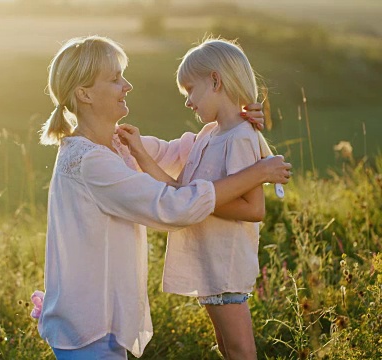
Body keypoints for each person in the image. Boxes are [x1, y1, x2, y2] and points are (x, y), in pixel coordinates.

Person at [36, 35, 290, 359]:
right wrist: (257, 174)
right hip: (90, 327)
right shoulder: (92, 162)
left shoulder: (114, 145)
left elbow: (185, 152)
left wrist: (231, 120)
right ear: (84, 94)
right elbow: (174, 207)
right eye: (115, 79)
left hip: (100, 322)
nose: (127, 86)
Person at [117, 37, 276, 360]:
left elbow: (254, 209)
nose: (188, 102)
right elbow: (180, 189)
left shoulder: (242, 137)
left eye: (190, 89)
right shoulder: (208, 135)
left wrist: (199, 201)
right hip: (208, 265)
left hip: (226, 264)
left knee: (241, 352)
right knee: (227, 349)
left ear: (216, 80)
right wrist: (138, 152)